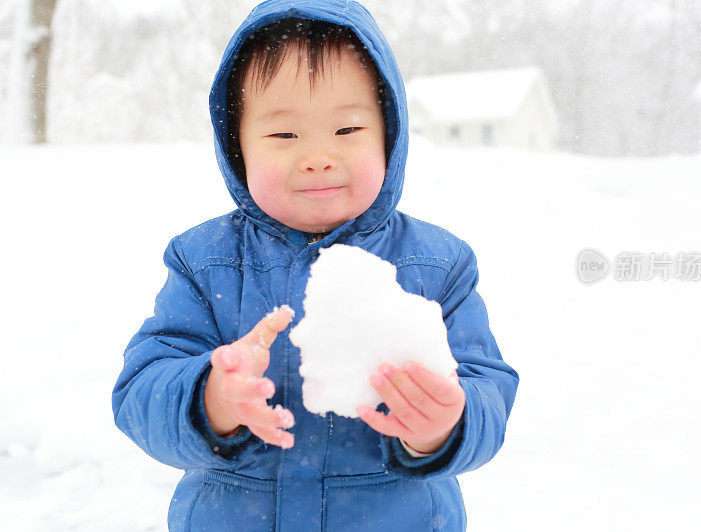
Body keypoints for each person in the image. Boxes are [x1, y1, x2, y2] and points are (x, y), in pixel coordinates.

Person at [111, 1, 519, 530]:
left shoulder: (436, 266)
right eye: (285, 135)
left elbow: (487, 386)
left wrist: (444, 426)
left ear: (388, 136)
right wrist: (211, 397)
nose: (318, 156)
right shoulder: (205, 262)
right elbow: (141, 390)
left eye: (347, 130)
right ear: (238, 149)